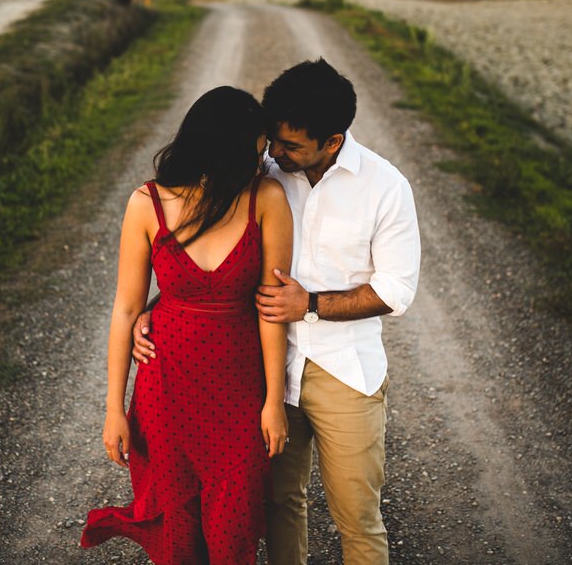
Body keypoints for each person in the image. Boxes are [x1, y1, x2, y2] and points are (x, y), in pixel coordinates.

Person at [135, 60, 421, 565]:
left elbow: (397, 290)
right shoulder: (259, 175)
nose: (274, 153)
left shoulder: (385, 187)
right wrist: (155, 311)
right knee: (279, 507)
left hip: (344, 373)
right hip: (260, 373)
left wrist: (309, 304)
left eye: (289, 146)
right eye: (272, 141)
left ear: (332, 141)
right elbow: (206, 260)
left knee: (357, 516)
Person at [81, 86, 294, 564]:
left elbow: (271, 307)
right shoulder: (147, 203)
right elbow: (126, 307)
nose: (264, 158)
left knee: (234, 536)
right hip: (166, 393)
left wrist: (272, 402)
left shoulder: (266, 198)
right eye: (257, 147)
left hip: (239, 393)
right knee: (178, 539)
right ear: (228, 146)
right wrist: (114, 407)